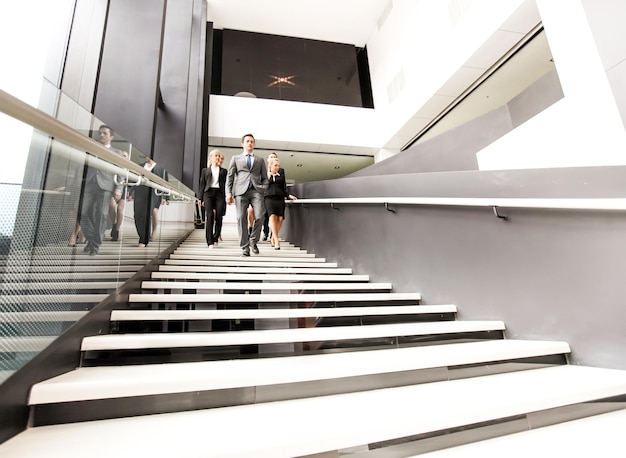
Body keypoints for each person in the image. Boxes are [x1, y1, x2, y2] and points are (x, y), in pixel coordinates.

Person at [80, 125, 121, 255]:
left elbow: (120, 172)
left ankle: (95, 246)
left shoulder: (117, 153)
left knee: (102, 215)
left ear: (111, 137)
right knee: (81, 212)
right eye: (100, 133)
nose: (101, 135)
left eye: (105, 133)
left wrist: (118, 189)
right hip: (90, 184)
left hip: (106, 186)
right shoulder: (91, 148)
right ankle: (93, 239)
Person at [225, 133, 268, 257]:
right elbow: (230, 177)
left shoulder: (260, 160)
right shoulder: (235, 158)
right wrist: (228, 193)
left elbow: (265, 177)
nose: (250, 143)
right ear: (242, 144)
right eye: (247, 141)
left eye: (252, 141)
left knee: (260, 216)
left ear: (254, 144)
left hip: (256, 191)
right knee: (240, 218)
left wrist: (264, 187)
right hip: (240, 192)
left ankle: (253, 240)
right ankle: (245, 247)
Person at [132, 157, 168, 247]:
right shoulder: (140, 166)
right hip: (140, 192)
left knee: (147, 214)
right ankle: (142, 235)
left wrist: (165, 197)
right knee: (137, 215)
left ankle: (143, 240)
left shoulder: (161, 168)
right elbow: (134, 179)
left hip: (154, 194)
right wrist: (130, 190)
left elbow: (165, 182)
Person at [264, 156, 296, 250]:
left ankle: (274, 236)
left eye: (278, 165)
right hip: (269, 198)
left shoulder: (280, 176)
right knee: (272, 216)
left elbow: (284, 187)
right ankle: (276, 240)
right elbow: (262, 187)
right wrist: (268, 176)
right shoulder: (265, 175)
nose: (277, 167)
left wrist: (288, 196)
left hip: (279, 198)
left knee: (280, 218)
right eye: (275, 165)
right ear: (270, 166)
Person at [197, 149, 227, 248]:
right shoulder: (205, 170)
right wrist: (200, 198)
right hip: (208, 193)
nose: (218, 157)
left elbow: (226, 185)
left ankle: (216, 237)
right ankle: (209, 241)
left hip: (219, 194)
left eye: (219, 156)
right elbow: (202, 184)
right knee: (209, 216)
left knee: (219, 216)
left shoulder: (223, 171)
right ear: (210, 158)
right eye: (216, 156)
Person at [108, 150, 129, 241]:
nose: (124, 157)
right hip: (113, 188)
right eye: (122, 155)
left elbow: (133, 180)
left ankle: (116, 230)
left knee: (120, 209)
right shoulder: (115, 164)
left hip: (124, 189)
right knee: (112, 206)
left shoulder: (129, 168)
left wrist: (130, 192)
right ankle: (113, 224)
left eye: (125, 156)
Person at [262, 151, 280, 242]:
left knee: (276, 217)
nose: (273, 158)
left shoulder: (280, 170)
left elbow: (282, 184)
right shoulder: (264, 170)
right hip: (266, 196)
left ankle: (273, 235)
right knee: (266, 216)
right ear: (268, 159)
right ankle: (265, 233)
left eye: (274, 157)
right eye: (271, 157)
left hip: (276, 197)